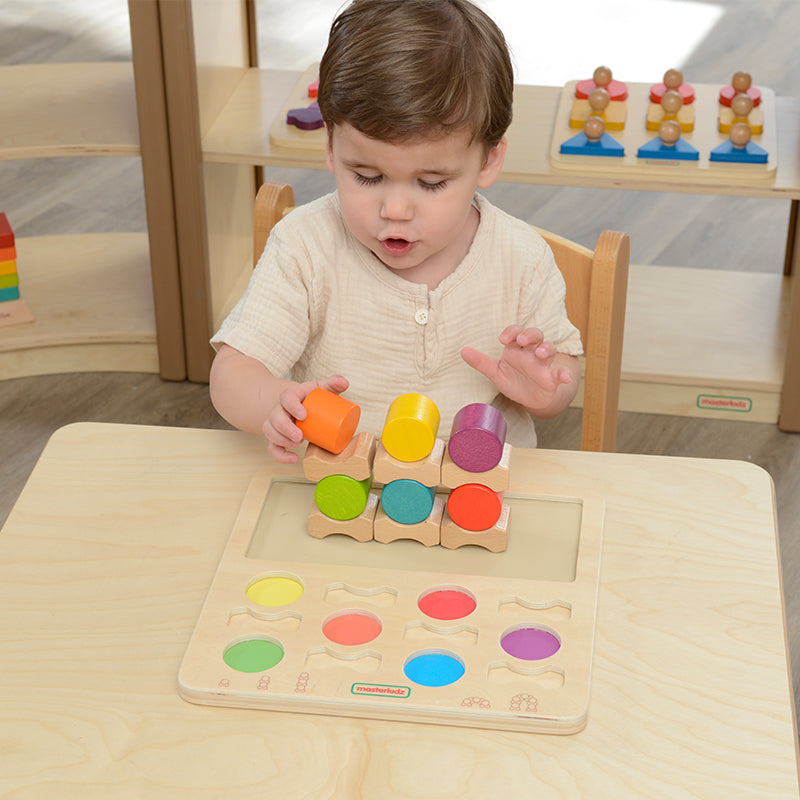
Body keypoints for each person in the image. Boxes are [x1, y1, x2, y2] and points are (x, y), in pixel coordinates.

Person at [209, 0, 582, 463]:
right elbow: (232, 372)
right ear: (330, 147)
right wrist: (274, 402)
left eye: (431, 183)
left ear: (488, 160)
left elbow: (561, 376)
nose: (395, 210)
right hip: (341, 487)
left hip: (478, 487)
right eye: (367, 176)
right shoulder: (304, 245)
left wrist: (544, 390)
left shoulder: (522, 257)